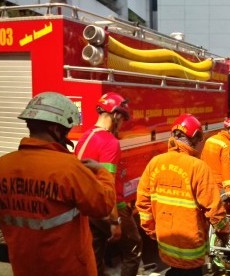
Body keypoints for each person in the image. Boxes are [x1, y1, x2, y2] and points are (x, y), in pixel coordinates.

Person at [0, 92, 116, 276]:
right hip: (67, 269)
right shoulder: (68, 168)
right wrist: (101, 172)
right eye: (67, 129)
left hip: (25, 268)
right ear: (56, 129)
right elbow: (103, 205)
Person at [136, 113, 230, 276]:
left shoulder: (155, 163)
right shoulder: (198, 167)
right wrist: (224, 232)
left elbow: (143, 204)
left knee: (173, 272)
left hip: (165, 243)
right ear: (195, 137)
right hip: (191, 248)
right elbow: (214, 208)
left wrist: (153, 231)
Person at [75, 92, 142, 276]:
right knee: (133, 249)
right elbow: (108, 184)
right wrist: (114, 221)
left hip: (88, 206)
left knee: (94, 252)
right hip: (109, 207)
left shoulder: (85, 136)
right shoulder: (110, 142)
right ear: (116, 115)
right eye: (122, 120)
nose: (121, 125)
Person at [200, 117, 230, 198]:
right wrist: (229, 188)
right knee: (219, 209)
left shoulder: (210, 139)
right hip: (218, 185)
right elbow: (226, 168)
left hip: (205, 181)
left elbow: (202, 160)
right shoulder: (227, 145)